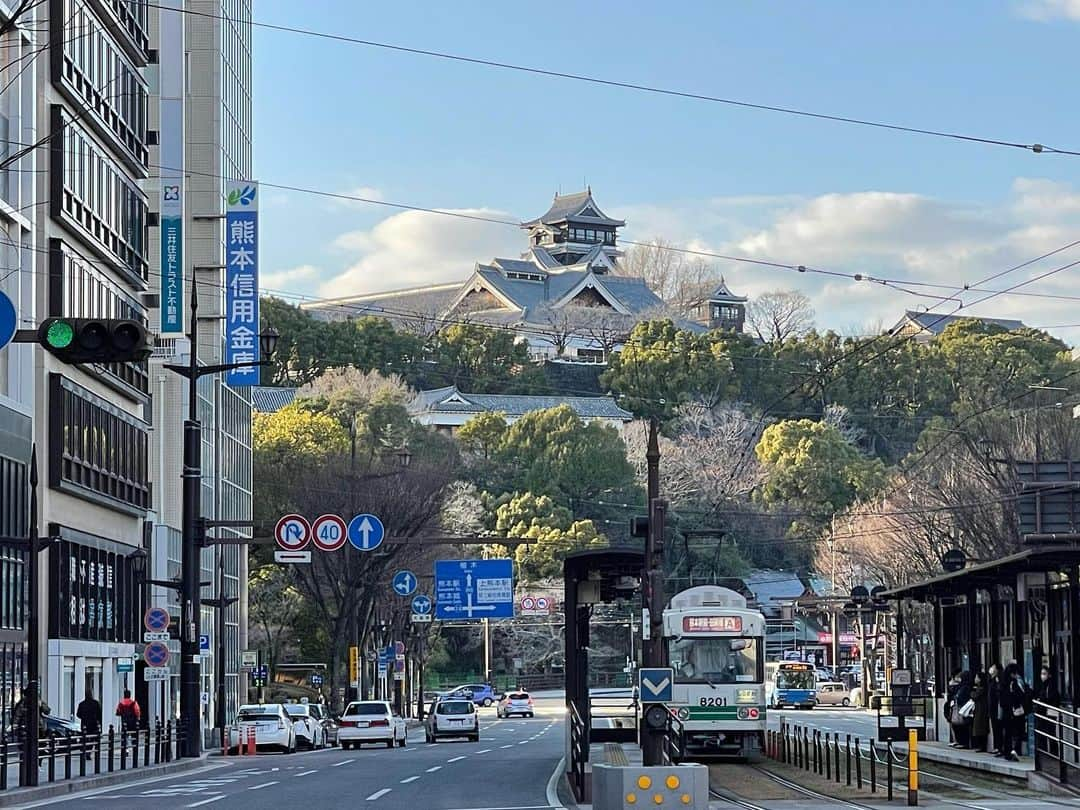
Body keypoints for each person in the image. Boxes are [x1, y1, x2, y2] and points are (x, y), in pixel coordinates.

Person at [1002, 663, 1032, 762]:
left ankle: (1009, 752)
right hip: (1015, 711)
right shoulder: (1013, 683)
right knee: (1017, 732)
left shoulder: (1004, 683)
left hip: (1008, 712)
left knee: (1009, 733)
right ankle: (1013, 751)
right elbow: (1019, 695)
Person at [1034, 665, 1060, 759]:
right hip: (1042, 713)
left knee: (1051, 733)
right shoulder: (1041, 685)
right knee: (1042, 734)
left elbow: (1052, 698)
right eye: (1041, 674)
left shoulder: (1051, 686)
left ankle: (1053, 755)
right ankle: (1044, 754)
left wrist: (1042, 701)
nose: (1042, 676)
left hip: (1050, 713)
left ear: (1049, 675)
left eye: (1044, 674)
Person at [987, 663, 1006, 756]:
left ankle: (1000, 748)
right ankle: (996, 746)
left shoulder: (1000, 680)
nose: (991, 670)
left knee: (999, 728)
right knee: (995, 728)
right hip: (992, 708)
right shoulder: (992, 680)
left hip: (998, 707)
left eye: (993, 668)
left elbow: (999, 693)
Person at [970, 671, 990, 753]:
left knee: (980, 727)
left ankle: (982, 746)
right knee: (978, 727)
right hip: (979, 709)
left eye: (976, 677)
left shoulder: (982, 688)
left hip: (981, 710)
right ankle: (980, 745)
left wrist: (972, 693)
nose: (975, 679)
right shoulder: (979, 688)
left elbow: (974, 695)